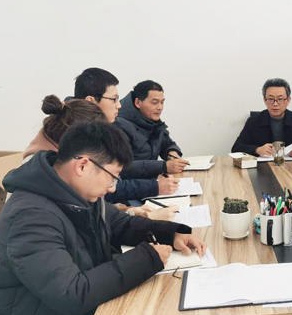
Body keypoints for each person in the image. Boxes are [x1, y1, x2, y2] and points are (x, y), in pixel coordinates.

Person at [0, 122, 208, 315]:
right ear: (83, 165)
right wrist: (147, 259)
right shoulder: (30, 217)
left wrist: (170, 234)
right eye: (112, 177)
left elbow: (121, 223)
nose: (113, 188)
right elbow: (71, 294)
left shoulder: (76, 193)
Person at [23, 94, 178, 221]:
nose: (119, 105)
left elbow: (95, 207)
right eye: (114, 99)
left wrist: (128, 211)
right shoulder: (45, 179)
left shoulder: (59, 161)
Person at [73, 69, 180, 202]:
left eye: (162, 102)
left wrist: (171, 151)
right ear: (91, 101)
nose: (119, 105)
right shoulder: (78, 136)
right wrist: (157, 182)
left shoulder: (105, 125)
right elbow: (111, 186)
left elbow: (109, 186)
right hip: (127, 194)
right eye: (114, 99)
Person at [116, 80, 190, 178]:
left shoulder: (152, 121)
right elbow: (122, 167)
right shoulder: (119, 126)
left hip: (151, 180)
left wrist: (172, 153)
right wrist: (163, 167)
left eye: (162, 102)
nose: (160, 107)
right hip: (131, 184)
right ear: (138, 102)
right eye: (154, 102)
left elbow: (167, 144)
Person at [231, 78, 292, 157]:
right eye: (270, 99)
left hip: (291, 167)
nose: (275, 104)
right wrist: (257, 149)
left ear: (288, 100)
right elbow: (236, 148)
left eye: (280, 99)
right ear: (265, 100)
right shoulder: (253, 121)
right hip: (263, 168)